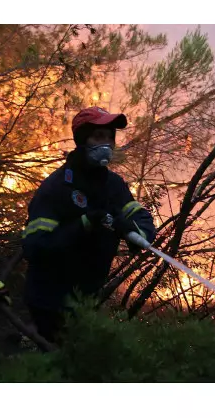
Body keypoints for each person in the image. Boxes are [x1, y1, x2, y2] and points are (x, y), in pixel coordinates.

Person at [21, 106, 156, 342]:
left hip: (88, 298)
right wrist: (82, 224)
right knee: (56, 355)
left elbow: (141, 218)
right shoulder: (57, 187)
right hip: (50, 299)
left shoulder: (113, 184)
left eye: (109, 137)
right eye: (98, 136)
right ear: (82, 140)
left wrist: (133, 230)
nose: (106, 144)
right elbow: (35, 247)